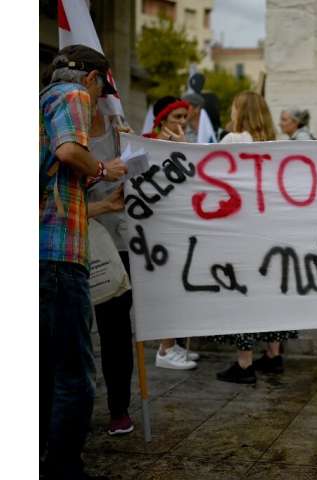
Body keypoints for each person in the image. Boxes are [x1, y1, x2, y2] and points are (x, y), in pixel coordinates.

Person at [40, 44, 128, 480]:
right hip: (58, 258)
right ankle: (63, 467)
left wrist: (101, 205)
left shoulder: (40, 104)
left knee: (42, 368)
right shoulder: (72, 97)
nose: (97, 99)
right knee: (74, 371)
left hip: (41, 251)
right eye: (101, 88)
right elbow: (70, 153)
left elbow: (52, 198)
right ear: (91, 79)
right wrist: (102, 170)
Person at [213, 91, 298, 384]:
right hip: (272, 233)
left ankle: (245, 363)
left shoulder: (232, 141)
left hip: (240, 231)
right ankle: (273, 355)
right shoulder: (279, 146)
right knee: (270, 294)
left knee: (242, 295)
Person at [86, 108, 136, 436]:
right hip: (74, 241)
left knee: (116, 330)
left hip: (118, 242)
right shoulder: (56, 132)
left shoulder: (120, 128)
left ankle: (119, 408)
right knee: (69, 334)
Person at [143, 96, 201, 369]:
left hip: (178, 224)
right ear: (162, 119)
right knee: (168, 288)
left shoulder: (175, 141)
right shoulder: (151, 144)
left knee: (180, 286)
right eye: (176, 117)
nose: (182, 122)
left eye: (184, 116)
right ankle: (165, 350)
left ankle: (173, 343)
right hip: (160, 228)